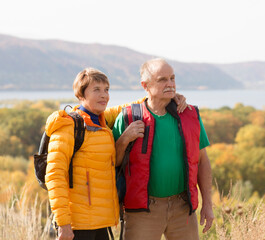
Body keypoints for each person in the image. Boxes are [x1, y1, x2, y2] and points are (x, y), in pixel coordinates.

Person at [45, 67, 188, 240]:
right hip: (77, 225)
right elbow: (55, 176)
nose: (104, 95)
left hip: (101, 222)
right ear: (81, 95)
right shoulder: (68, 127)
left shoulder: (102, 120)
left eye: (106, 90)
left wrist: (165, 95)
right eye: (96, 90)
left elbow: (132, 106)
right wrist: (63, 224)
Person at [112, 58, 214, 240]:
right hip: (142, 210)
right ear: (145, 85)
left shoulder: (189, 115)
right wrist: (125, 138)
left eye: (172, 78)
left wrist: (208, 203)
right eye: (162, 80)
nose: (170, 84)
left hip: (183, 208)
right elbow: (113, 161)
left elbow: (203, 161)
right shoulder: (128, 116)